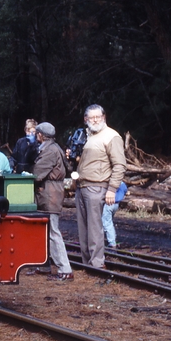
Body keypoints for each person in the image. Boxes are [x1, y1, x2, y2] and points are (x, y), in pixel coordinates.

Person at [72, 104, 126, 269]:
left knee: (95, 227)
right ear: (86, 119)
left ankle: (97, 263)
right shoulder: (87, 136)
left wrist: (111, 189)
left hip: (98, 187)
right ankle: (86, 262)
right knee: (83, 228)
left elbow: (119, 165)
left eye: (98, 117)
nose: (94, 120)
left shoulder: (111, 136)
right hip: (82, 186)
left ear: (104, 117)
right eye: (91, 117)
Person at [31, 122, 74, 281]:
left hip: (50, 193)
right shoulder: (54, 148)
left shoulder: (49, 151)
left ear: (41, 135)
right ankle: (44, 265)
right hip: (50, 192)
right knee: (45, 231)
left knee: (53, 232)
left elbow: (38, 173)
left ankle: (65, 269)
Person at [103, 181, 127, 248]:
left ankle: (112, 243)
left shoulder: (109, 182)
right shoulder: (121, 183)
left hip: (108, 204)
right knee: (109, 222)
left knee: (107, 223)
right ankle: (110, 239)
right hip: (116, 204)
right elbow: (125, 190)